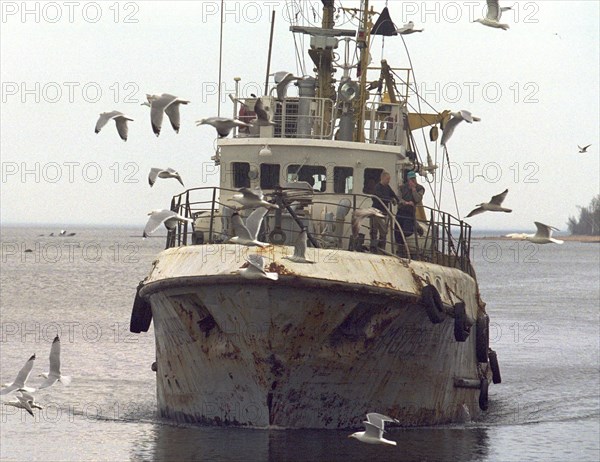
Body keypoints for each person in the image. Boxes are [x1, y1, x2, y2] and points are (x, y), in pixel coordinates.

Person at [395, 170, 425, 256]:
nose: (412, 180)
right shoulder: (402, 188)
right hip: (401, 211)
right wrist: (405, 202)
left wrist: (413, 190)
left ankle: (415, 226)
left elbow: (417, 199)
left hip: (410, 212)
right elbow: (398, 198)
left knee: (407, 231)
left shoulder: (420, 188)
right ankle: (400, 249)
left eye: (414, 178)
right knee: (397, 231)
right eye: (411, 179)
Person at [370, 171, 399, 252]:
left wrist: (397, 200)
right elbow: (379, 197)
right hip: (376, 211)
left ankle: (382, 247)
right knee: (374, 230)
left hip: (384, 212)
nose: (388, 181)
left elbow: (393, 194)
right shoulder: (377, 187)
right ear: (382, 178)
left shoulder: (387, 187)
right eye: (387, 179)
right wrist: (390, 199)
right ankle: (373, 247)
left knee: (383, 231)